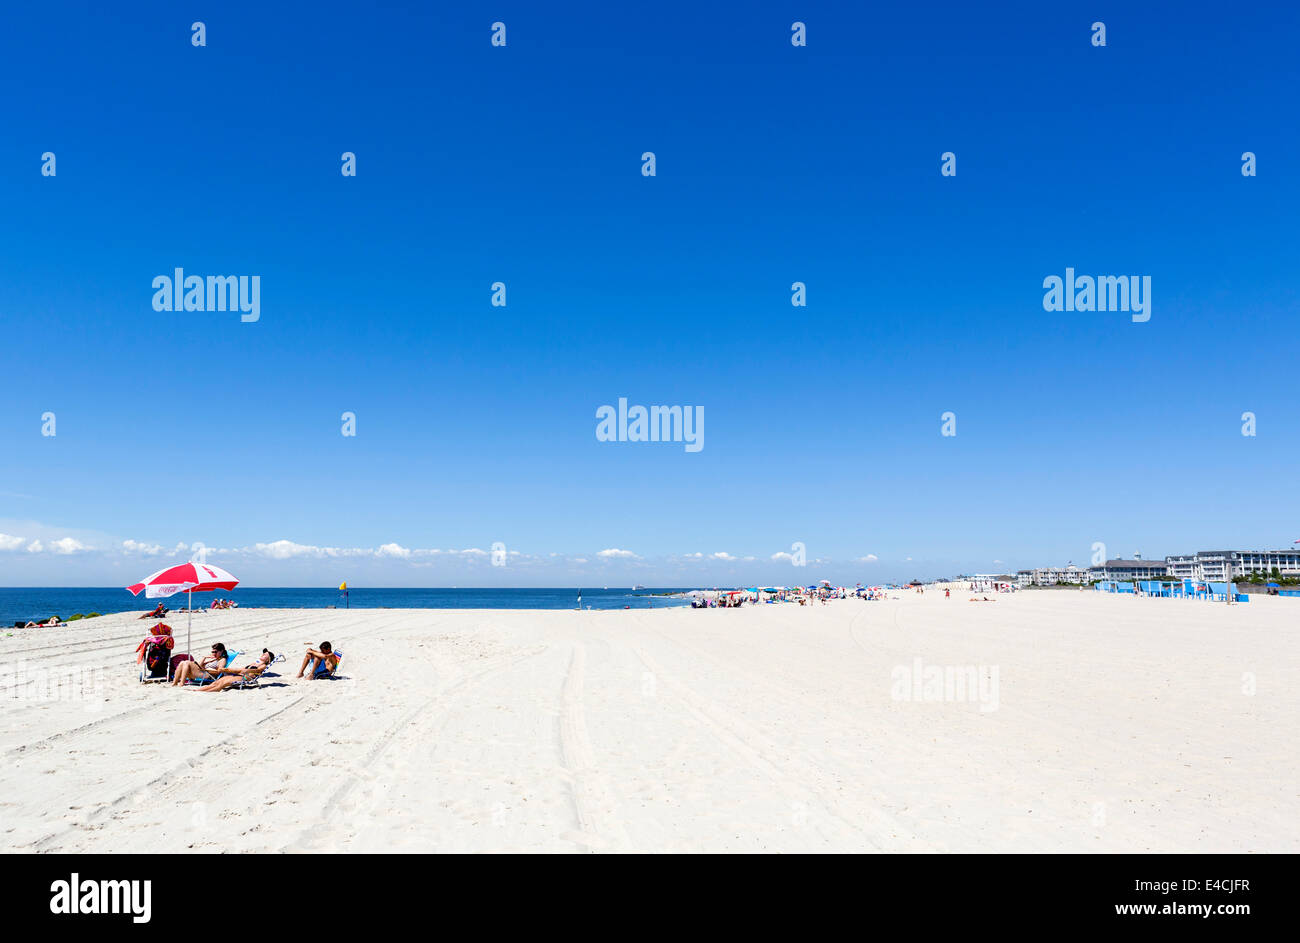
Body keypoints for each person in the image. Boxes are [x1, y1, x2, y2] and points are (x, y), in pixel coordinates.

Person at [198, 650, 275, 692]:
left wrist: (247, 670)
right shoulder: (255, 662)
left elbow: (258, 671)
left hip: (245, 677)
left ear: (268, 660)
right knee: (219, 681)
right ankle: (199, 690)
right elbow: (243, 668)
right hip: (240, 674)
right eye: (263, 653)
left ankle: (206, 691)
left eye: (265, 655)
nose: (262, 655)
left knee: (223, 683)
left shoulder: (263, 665)